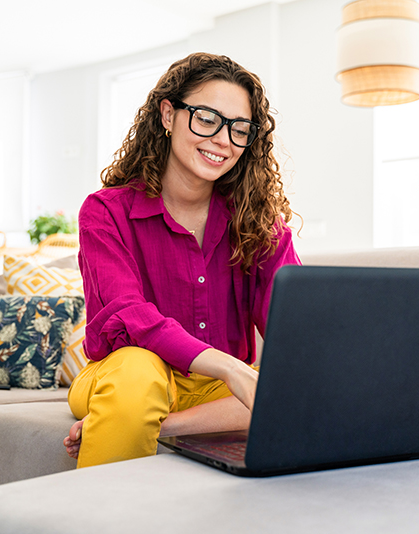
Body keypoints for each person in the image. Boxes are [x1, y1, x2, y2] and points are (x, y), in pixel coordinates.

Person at [63, 52, 300, 468]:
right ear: (168, 115)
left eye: (239, 129)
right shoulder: (105, 211)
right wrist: (231, 368)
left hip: (215, 391)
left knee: (300, 386)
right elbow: (130, 314)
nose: (223, 140)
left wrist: (158, 423)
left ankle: (151, 424)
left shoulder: (260, 223)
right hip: (123, 375)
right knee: (138, 373)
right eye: (207, 119)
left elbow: (296, 328)